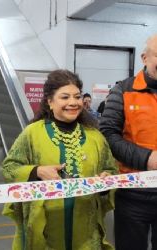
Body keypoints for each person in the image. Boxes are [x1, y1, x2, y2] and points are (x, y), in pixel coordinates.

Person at [2, 69, 117, 250]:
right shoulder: (33, 133)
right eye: (64, 97)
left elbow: (111, 170)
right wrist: (37, 171)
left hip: (86, 231)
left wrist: (105, 183)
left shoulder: (95, 136)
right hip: (44, 230)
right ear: (50, 102)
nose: (73, 102)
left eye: (77, 97)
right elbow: (9, 168)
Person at [100, 34, 157, 250]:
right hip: (133, 195)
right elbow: (108, 134)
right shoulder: (123, 91)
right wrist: (147, 159)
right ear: (144, 57)